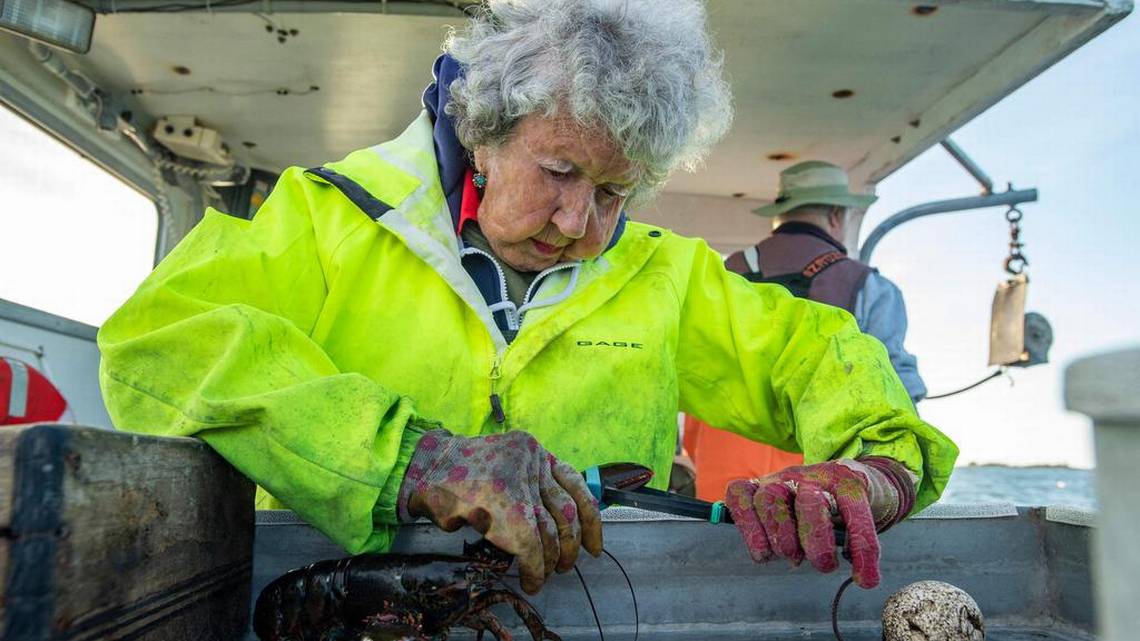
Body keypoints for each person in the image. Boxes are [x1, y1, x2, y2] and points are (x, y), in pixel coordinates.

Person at [97, 0, 956, 596]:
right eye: (559, 170)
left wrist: (877, 467)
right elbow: (161, 340)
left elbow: (820, 357)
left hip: (597, 612)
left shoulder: (667, 274)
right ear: (481, 130)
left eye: (616, 191)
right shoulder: (327, 219)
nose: (581, 220)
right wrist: (413, 460)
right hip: (344, 612)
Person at [684, 160, 928, 503]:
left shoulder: (724, 275)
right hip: (815, 489)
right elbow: (897, 391)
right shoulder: (870, 288)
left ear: (780, 213)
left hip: (721, 473)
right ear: (835, 216)